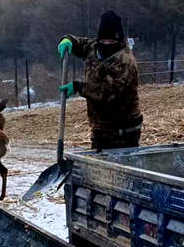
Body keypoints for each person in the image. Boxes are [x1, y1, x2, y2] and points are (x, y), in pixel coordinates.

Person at [56, 10, 143, 150]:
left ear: (119, 39)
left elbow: (109, 94)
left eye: (111, 41)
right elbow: (79, 43)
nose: (106, 44)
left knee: (118, 168)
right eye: (103, 40)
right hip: (101, 128)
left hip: (123, 130)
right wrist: (67, 40)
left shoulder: (125, 61)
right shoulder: (95, 47)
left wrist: (78, 87)